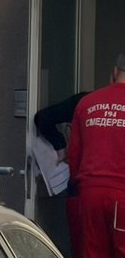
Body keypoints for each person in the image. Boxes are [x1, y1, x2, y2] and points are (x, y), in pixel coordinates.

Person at [67, 54, 125, 258]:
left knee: (92, 253)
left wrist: (79, 184)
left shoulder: (87, 103)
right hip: (122, 194)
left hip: (90, 193)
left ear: (115, 72)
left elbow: (74, 154)